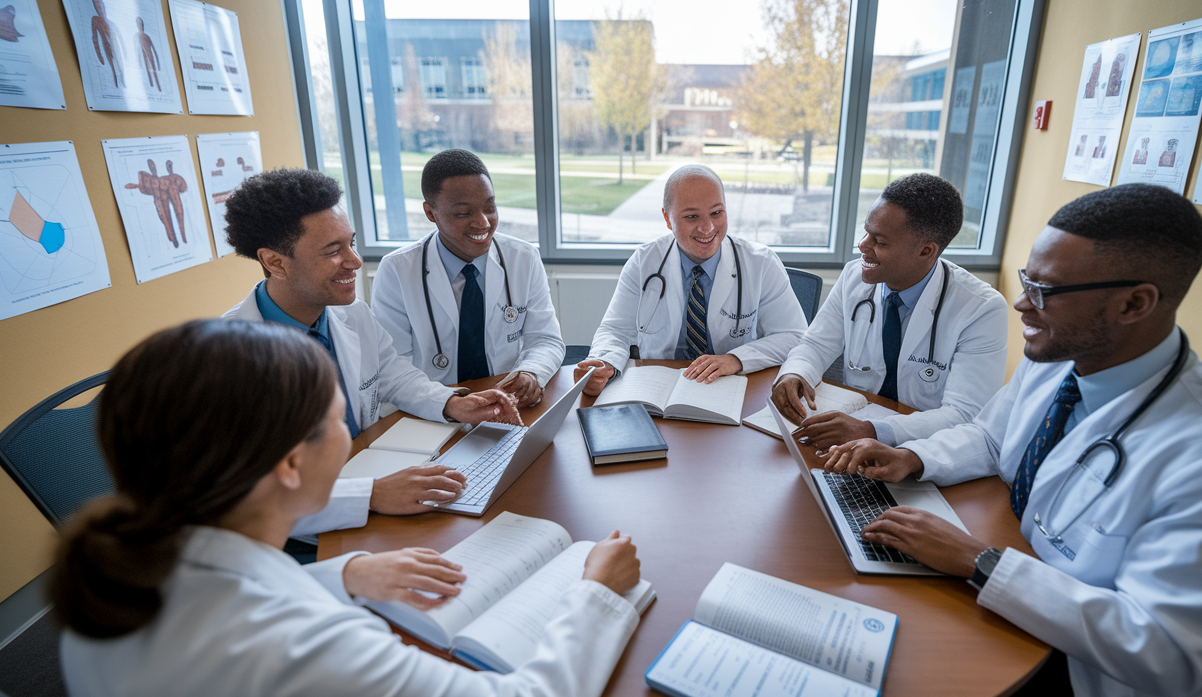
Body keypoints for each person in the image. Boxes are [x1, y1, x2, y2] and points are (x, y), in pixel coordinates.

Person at [824, 184, 1202, 697]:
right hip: (1001, 601)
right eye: (1026, 279)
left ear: (1134, 304)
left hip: (1084, 688)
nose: (1021, 305)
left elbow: (1167, 651)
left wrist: (978, 560)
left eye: (1045, 291)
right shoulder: (1063, 360)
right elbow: (992, 437)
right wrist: (914, 458)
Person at [54, 319, 643, 697]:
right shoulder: (306, 653)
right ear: (290, 462)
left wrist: (344, 573)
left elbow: (234, 600)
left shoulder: (119, 571)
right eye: (339, 421)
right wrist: (597, 594)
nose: (350, 435)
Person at [223, 168, 520, 536]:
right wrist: (370, 495)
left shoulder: (350, 312)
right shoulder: (226, 363)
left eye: (351, 242)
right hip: (298, 535)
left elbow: (393, 374)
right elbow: (242, 497)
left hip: (367, 473)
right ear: (275, 262)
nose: (355, 261)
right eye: (333, 251)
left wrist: (451, 403)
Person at [771, 173, 1007, 450]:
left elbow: (965, 415)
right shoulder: (852, 277)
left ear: (925, 251)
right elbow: (816, 344)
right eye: (866, 232)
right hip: (847, 439)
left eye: (879, 242)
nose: (862, 246)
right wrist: (795, 373)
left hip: (923, 449)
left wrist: (872, 431)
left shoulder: (981, 309)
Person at [575, 165, 806, 395]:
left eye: (716, 213)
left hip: (732, 387)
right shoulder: (644, 262)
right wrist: (604, 364)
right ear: (667, 218)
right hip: (656, 389)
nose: (707, 227)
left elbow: (794, 336)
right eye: (692, 216)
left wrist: (735, 359)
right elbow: (616, 330)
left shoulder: (761, 263)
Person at [371, 149, 564, 408]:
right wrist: (449, 404)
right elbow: (393, 368)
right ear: (430, 213)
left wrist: (531, 372)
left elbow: (546, 339)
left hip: (507, 403)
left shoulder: (523, 258)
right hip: (432, 407)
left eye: (490, 207)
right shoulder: (397, 270)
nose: (483, 222)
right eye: (463, 213)